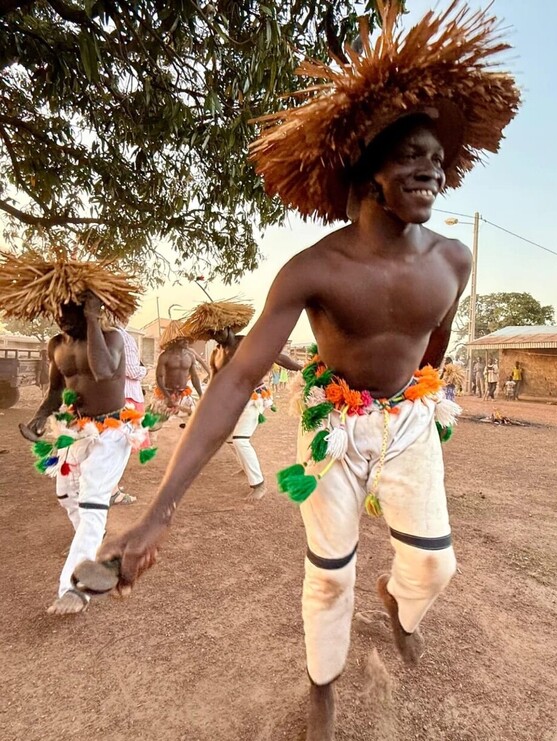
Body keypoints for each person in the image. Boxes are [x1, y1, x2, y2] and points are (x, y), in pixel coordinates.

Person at [92, 6, 519, 739]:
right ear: (369, 170)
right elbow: (235, 378)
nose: (432, 167)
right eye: (411, 154)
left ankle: (398, 602)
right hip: (332, 428)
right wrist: (160, 509)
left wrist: (422, 410)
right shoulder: (313, 269)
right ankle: (323, 681)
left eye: (436, 157)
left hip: (409, 422)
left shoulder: (454, 260)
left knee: (434, 568)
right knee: (329, 572)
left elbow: (437, 342)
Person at [0, 253, 155, 616]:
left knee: (91, 505)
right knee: (65, 495)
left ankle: (75, 589)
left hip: (113, 431)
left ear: (88, 306)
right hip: (76, 430)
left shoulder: (112, 338)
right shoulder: (56, 345)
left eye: (69, 310)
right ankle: (91, 539)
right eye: (55, 310)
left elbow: (102, 372)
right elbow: (56, 391)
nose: (60, 317)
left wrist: (93, 319)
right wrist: (41, 418)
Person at [207, 323, 301, 499]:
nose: (217, 334)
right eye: (212, 332)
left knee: (240, 439)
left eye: (220, 329)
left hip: (253, 398)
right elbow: (214, 381)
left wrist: (303, 370)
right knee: (228, 439)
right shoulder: (216, 353)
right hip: (233, 401)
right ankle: (246, 468)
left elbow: (278, 358)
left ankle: (259, 485)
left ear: (230, 327)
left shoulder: (247, 343)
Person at [109, 324, 148, 505]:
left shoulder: (103, 333)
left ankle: (111, 486)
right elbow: (132, 371)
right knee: (120, 447)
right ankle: (112, 491)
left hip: (112, 395)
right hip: (129, 396)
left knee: (111, 444)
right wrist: (144, 370)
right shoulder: (122, 336)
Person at [150, 322, 204, 426]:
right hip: (165, 394)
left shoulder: (190, 356)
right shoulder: (165, 356)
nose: (187, 341)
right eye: (183, 338)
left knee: (194, 424)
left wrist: (201, 395)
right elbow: (159, 378)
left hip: (183, 394)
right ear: (175, 339)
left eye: (187, 338)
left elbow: (194, 377)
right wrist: (168, 397)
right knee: (152, 426)